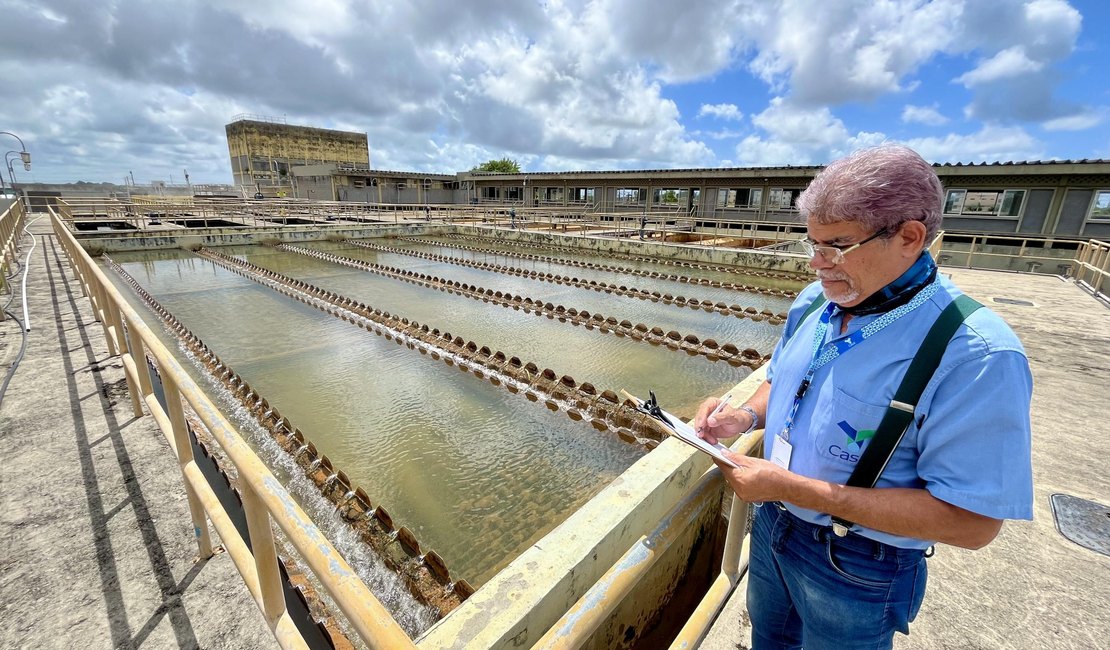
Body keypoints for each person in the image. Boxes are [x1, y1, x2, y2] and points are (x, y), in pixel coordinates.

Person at [694, 144, 1033, 650]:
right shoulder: (815, 303)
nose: (817, 264)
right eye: (811, 244)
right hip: (772, 528)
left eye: (836, 246)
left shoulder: (976, 355)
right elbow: (784, 381)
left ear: (909, 237)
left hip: (857, 561)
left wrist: (797, 489)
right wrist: (743, 417)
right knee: (769, 640)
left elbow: (972, 521)